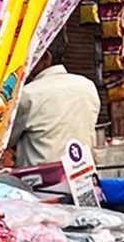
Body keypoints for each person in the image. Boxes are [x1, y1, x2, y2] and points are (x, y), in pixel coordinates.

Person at [7, 34, 102, 169]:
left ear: (45, 58)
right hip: (83, 177)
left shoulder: (29, 95)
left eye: (31, 57)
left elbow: (5, 139)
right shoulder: (88, 86)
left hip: (41, 183)